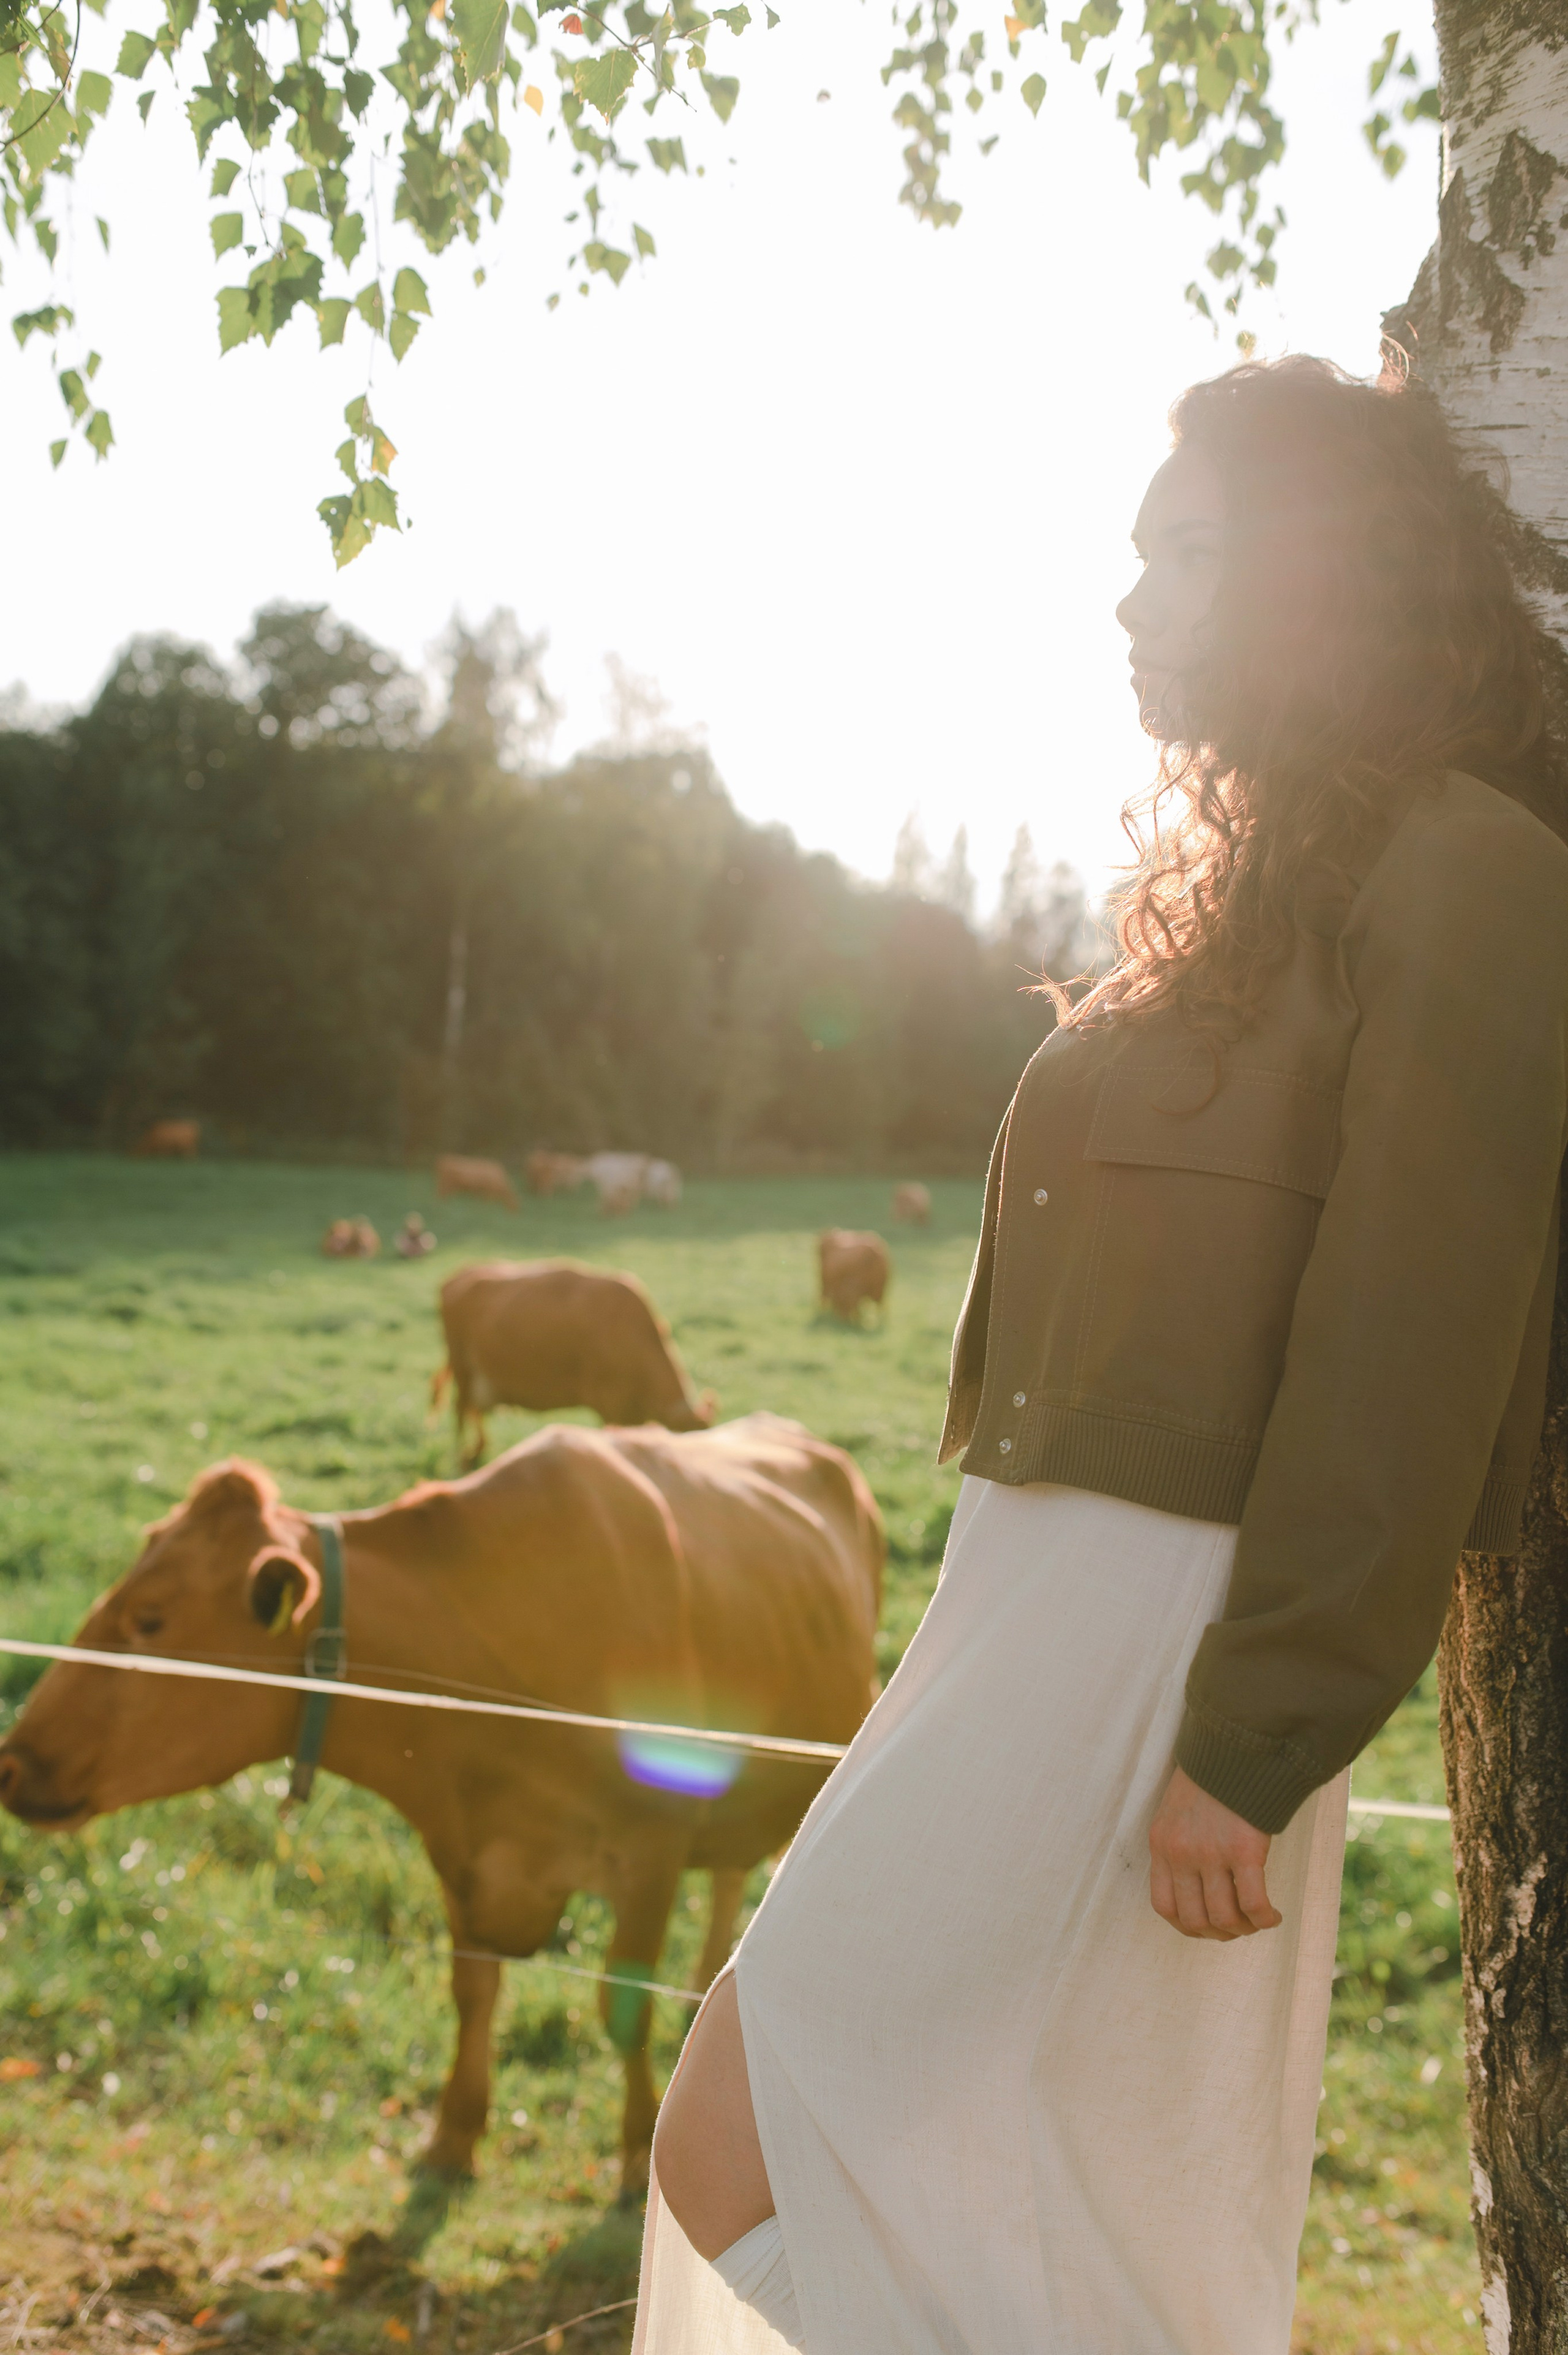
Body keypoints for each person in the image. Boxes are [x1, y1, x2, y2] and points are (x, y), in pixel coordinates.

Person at [632, 355, 1568, 2354]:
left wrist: (1259, 1729)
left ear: (1314, 581)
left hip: (1169, 1635)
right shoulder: (1241, 902)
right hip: (1020, 1607)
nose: (1132, 601)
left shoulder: (1466, 870)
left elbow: (1416, 1335)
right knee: (973, 2194)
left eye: (1182, 554)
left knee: (753, 2135)